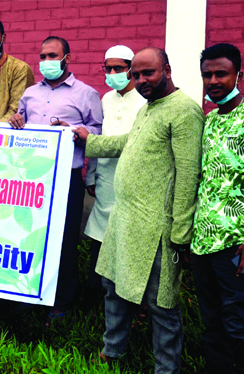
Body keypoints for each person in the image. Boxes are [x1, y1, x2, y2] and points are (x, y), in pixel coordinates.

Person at [72, 47, 204, 374]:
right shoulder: (149, 108)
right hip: (124, 220)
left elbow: (189, 175)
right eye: (136, 75)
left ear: (168, 70)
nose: (141, 81)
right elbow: (130, 143)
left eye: (148, 73)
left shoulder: (185, 110)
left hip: (157, 229)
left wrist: (181, 233)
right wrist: (91, 142)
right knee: (113, 288)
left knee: (161, 305)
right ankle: (112, 351)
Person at [190, 43, 244, 374]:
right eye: (207, 74)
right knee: (211, 323)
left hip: (238, 243)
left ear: (239, 75)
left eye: (221, 73)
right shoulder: (208, 120)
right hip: (202, 242)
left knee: (237, 322)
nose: (213, 80)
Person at [8, 36, 103, 321]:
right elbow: (19, 123)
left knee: (63, 242)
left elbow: (97, 138)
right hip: (32, 179)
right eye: (43, 55)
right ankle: (30, 294)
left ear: (67, 58)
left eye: (52, 55)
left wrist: (73, 131)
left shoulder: (86, 94)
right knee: (31, 238)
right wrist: (15, 119)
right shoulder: (30, 93)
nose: (46, 61)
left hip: (66, 177)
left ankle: (60, 302)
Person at [84, 45, 146, 289]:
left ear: (131, 69)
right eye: (107, 68)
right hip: (105, 178)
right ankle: (95, 295)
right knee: (99, 236)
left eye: (118, 68)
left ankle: (125, 292)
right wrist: (91, 175)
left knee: (126, 237)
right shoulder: (106, 99)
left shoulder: (144, 99)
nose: (112, 73)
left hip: (132, 178)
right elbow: (99, 137)